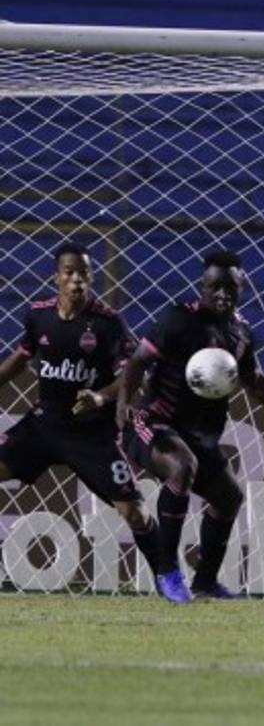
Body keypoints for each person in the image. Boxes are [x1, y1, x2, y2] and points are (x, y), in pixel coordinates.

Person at [117, 250, 264, 603]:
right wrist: (124, 407)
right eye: (214, 287)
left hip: (198, 436)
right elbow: (138, 361)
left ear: (241, 286)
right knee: (181, 468)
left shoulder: (241, 331)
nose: (222, 294)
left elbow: (257, 385)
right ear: (202, 286)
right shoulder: (179, 319)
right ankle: (167, 573)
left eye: (230, 287)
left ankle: (204, 582)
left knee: (228, 497)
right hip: (153, 423)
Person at [0, 242, 159, 580]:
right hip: (44, 424)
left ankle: (169, 578)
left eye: (84, 273)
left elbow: (132, 375)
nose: (77, 280)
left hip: (91, 433)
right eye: (70, 273)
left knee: (135, 513)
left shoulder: (108, 323)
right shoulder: (38, 315)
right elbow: (20, 360)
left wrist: (101, 398)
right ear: (56, 277)